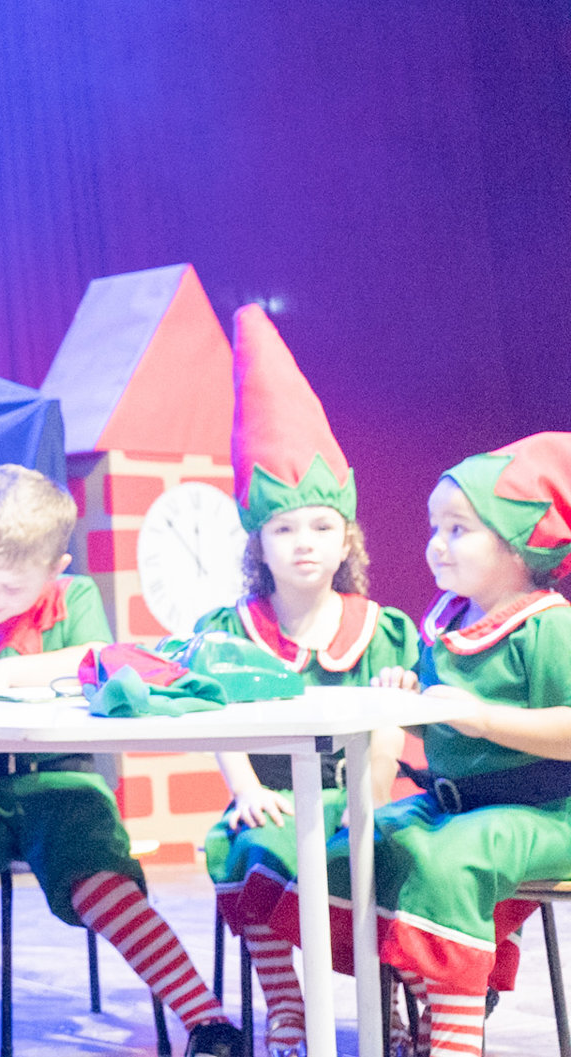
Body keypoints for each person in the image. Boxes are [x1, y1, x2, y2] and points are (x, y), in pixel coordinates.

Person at [266, 432, 571, 1057]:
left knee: (448, 861)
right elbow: (445, 722)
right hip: (460, 805)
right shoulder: (449, 623)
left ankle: (455, 1039)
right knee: (357, 847)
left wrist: (484, 719)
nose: (437, 543)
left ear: (519, 546)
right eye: (436, 527)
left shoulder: (548, 626)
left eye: (459, 529)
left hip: (545, 810)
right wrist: (409, 701)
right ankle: (435, 999)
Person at [0, 465, 243, 1057]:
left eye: (11, 588)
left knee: (104, 884)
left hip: (63, 783)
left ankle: (207, 1021)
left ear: (56, 570)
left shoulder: (75, 598)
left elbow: (94, 659)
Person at [196, 307, 417, 1057]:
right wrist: (242, 788)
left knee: (385, 859)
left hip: (358, 798)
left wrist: (368, 795)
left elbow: (388, 731)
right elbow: (213, 711)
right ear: (257, 541)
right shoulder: (230, 631)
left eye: (321, 527)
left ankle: (385, 1002)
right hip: (273, 802)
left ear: (347, 536)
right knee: (250, 852)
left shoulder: (381, 628)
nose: (303, 544)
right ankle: (286, 1004)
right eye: (284, 529)